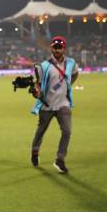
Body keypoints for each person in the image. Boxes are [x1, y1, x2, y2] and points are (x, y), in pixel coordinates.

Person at [30, 36, 78, 174]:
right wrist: (37, 92)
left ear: (64, 48)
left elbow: (75, 74)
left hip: (64, 104)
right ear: (51, 48)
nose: (57, 49)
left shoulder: (71, 63)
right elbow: (38, 83)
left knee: (67, 131)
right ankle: (35, 151)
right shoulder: (44, 66)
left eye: (60, 47)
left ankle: (60, 159)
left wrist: (67, 86)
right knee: (41, 131)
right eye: (55, 47)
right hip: (47, 104)